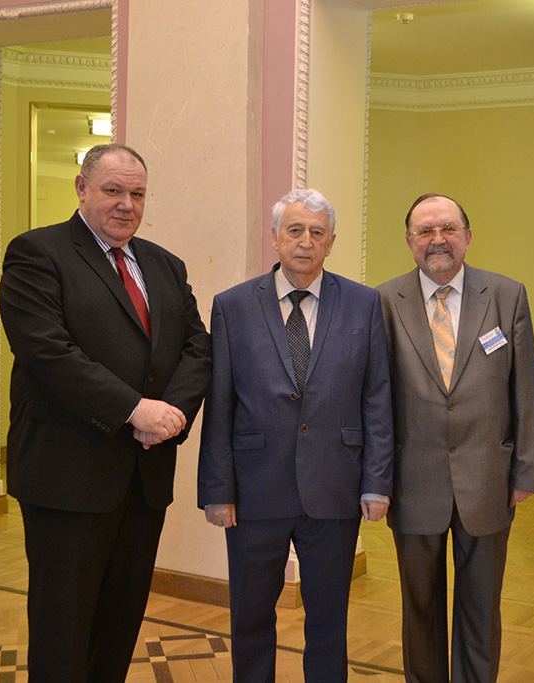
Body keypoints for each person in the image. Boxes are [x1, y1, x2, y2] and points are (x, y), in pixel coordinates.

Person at [0, 143, 212, 682]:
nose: (126, 204)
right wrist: (134, 410)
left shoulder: (165, 265)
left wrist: (171, 415)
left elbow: (197, 347)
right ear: (81, 188)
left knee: (119, 625)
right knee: (63, 629)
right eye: (113, 190)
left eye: (137, 194)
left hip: (144, 476)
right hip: (66, 478)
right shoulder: (37, 253)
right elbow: (47, 353)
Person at [198, 188, 394, 682]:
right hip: (254, 490)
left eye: (317, 232)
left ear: (331, 242)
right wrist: (217, 490)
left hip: (335, 486)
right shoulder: (233, 306)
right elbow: (219, 404)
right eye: (295, 230)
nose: (306, 241)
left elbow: (377, 398)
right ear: (275, 238)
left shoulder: (365, 304)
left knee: (328, 620)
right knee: (250, 617)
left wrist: (377, 482)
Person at [376, 193, 534, 682]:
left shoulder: (507, 296)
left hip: (488, 479)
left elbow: (526, 390)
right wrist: (375, 481)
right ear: (409, 241)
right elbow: (374, 401)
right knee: (419, 609)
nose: (437, 240)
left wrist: (525, 471)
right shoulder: (382, 302)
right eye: (425, 231)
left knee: (481, 609)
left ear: (467, 236)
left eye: (447, 228)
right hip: (412, 482)